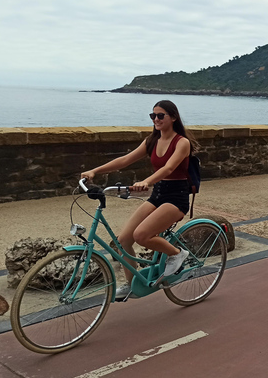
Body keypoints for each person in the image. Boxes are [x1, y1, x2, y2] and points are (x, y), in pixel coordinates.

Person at [81, 100, 198, 301]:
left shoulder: (182, 142)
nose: (156, 119)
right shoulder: (151, 141)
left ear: (173, 117)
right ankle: (130, 284)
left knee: (142, 235)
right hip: (158, 195)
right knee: (124, 239)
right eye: (153, 116)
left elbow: (168, 169)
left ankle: (177, 254)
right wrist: (95, 171)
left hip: (176, 197)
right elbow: (125, 160)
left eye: (161, 115)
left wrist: (146, 181)